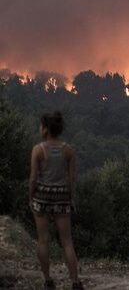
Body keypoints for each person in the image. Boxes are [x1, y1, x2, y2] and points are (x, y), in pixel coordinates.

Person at [29, 112, 84, 290]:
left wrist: (31, 197)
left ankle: (47, 280)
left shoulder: (38, 150)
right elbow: (72, 178)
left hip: (42, 197)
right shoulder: (68, 150)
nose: (39, 129)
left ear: (45, 129)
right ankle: (75, 282)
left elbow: (33, 179)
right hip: (61, 197)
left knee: (43, 239)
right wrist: (71, 197)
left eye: (40, 126)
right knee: (67, 241)